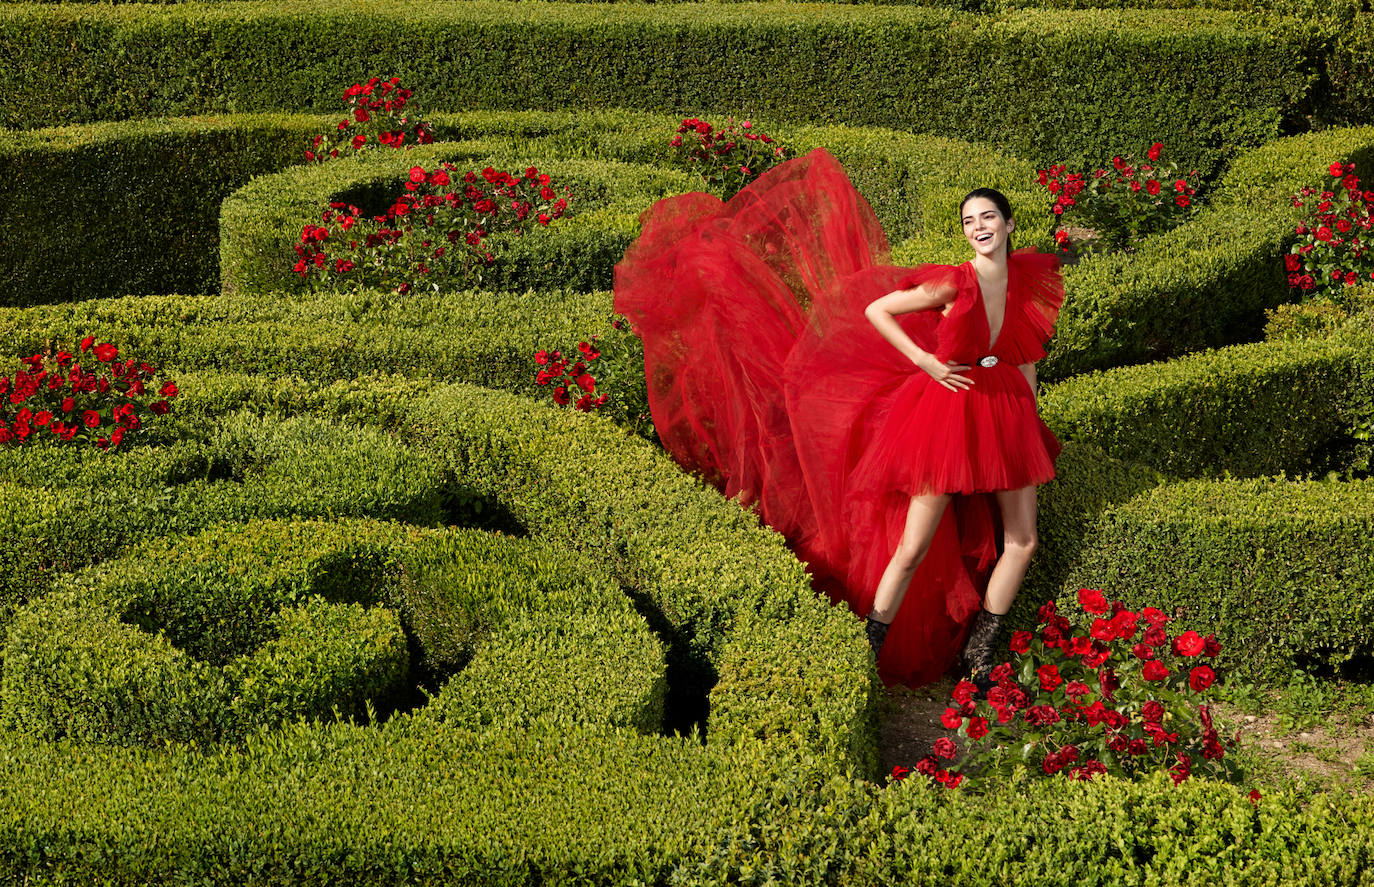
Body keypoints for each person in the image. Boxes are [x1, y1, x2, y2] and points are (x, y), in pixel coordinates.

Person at [613, 148, 1063, 687]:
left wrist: (1027, 422)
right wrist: (924, 361)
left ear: (1009, 223)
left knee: (1023, 540)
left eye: (988, 217)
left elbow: (1027, 353)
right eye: (969, 221)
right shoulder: (953, 282)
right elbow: (879, 310)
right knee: (914, 545)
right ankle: (870, 642)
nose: (978, 227)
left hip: (1006, 411)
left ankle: (980, 653)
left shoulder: (1029, 279)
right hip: (948, 415)